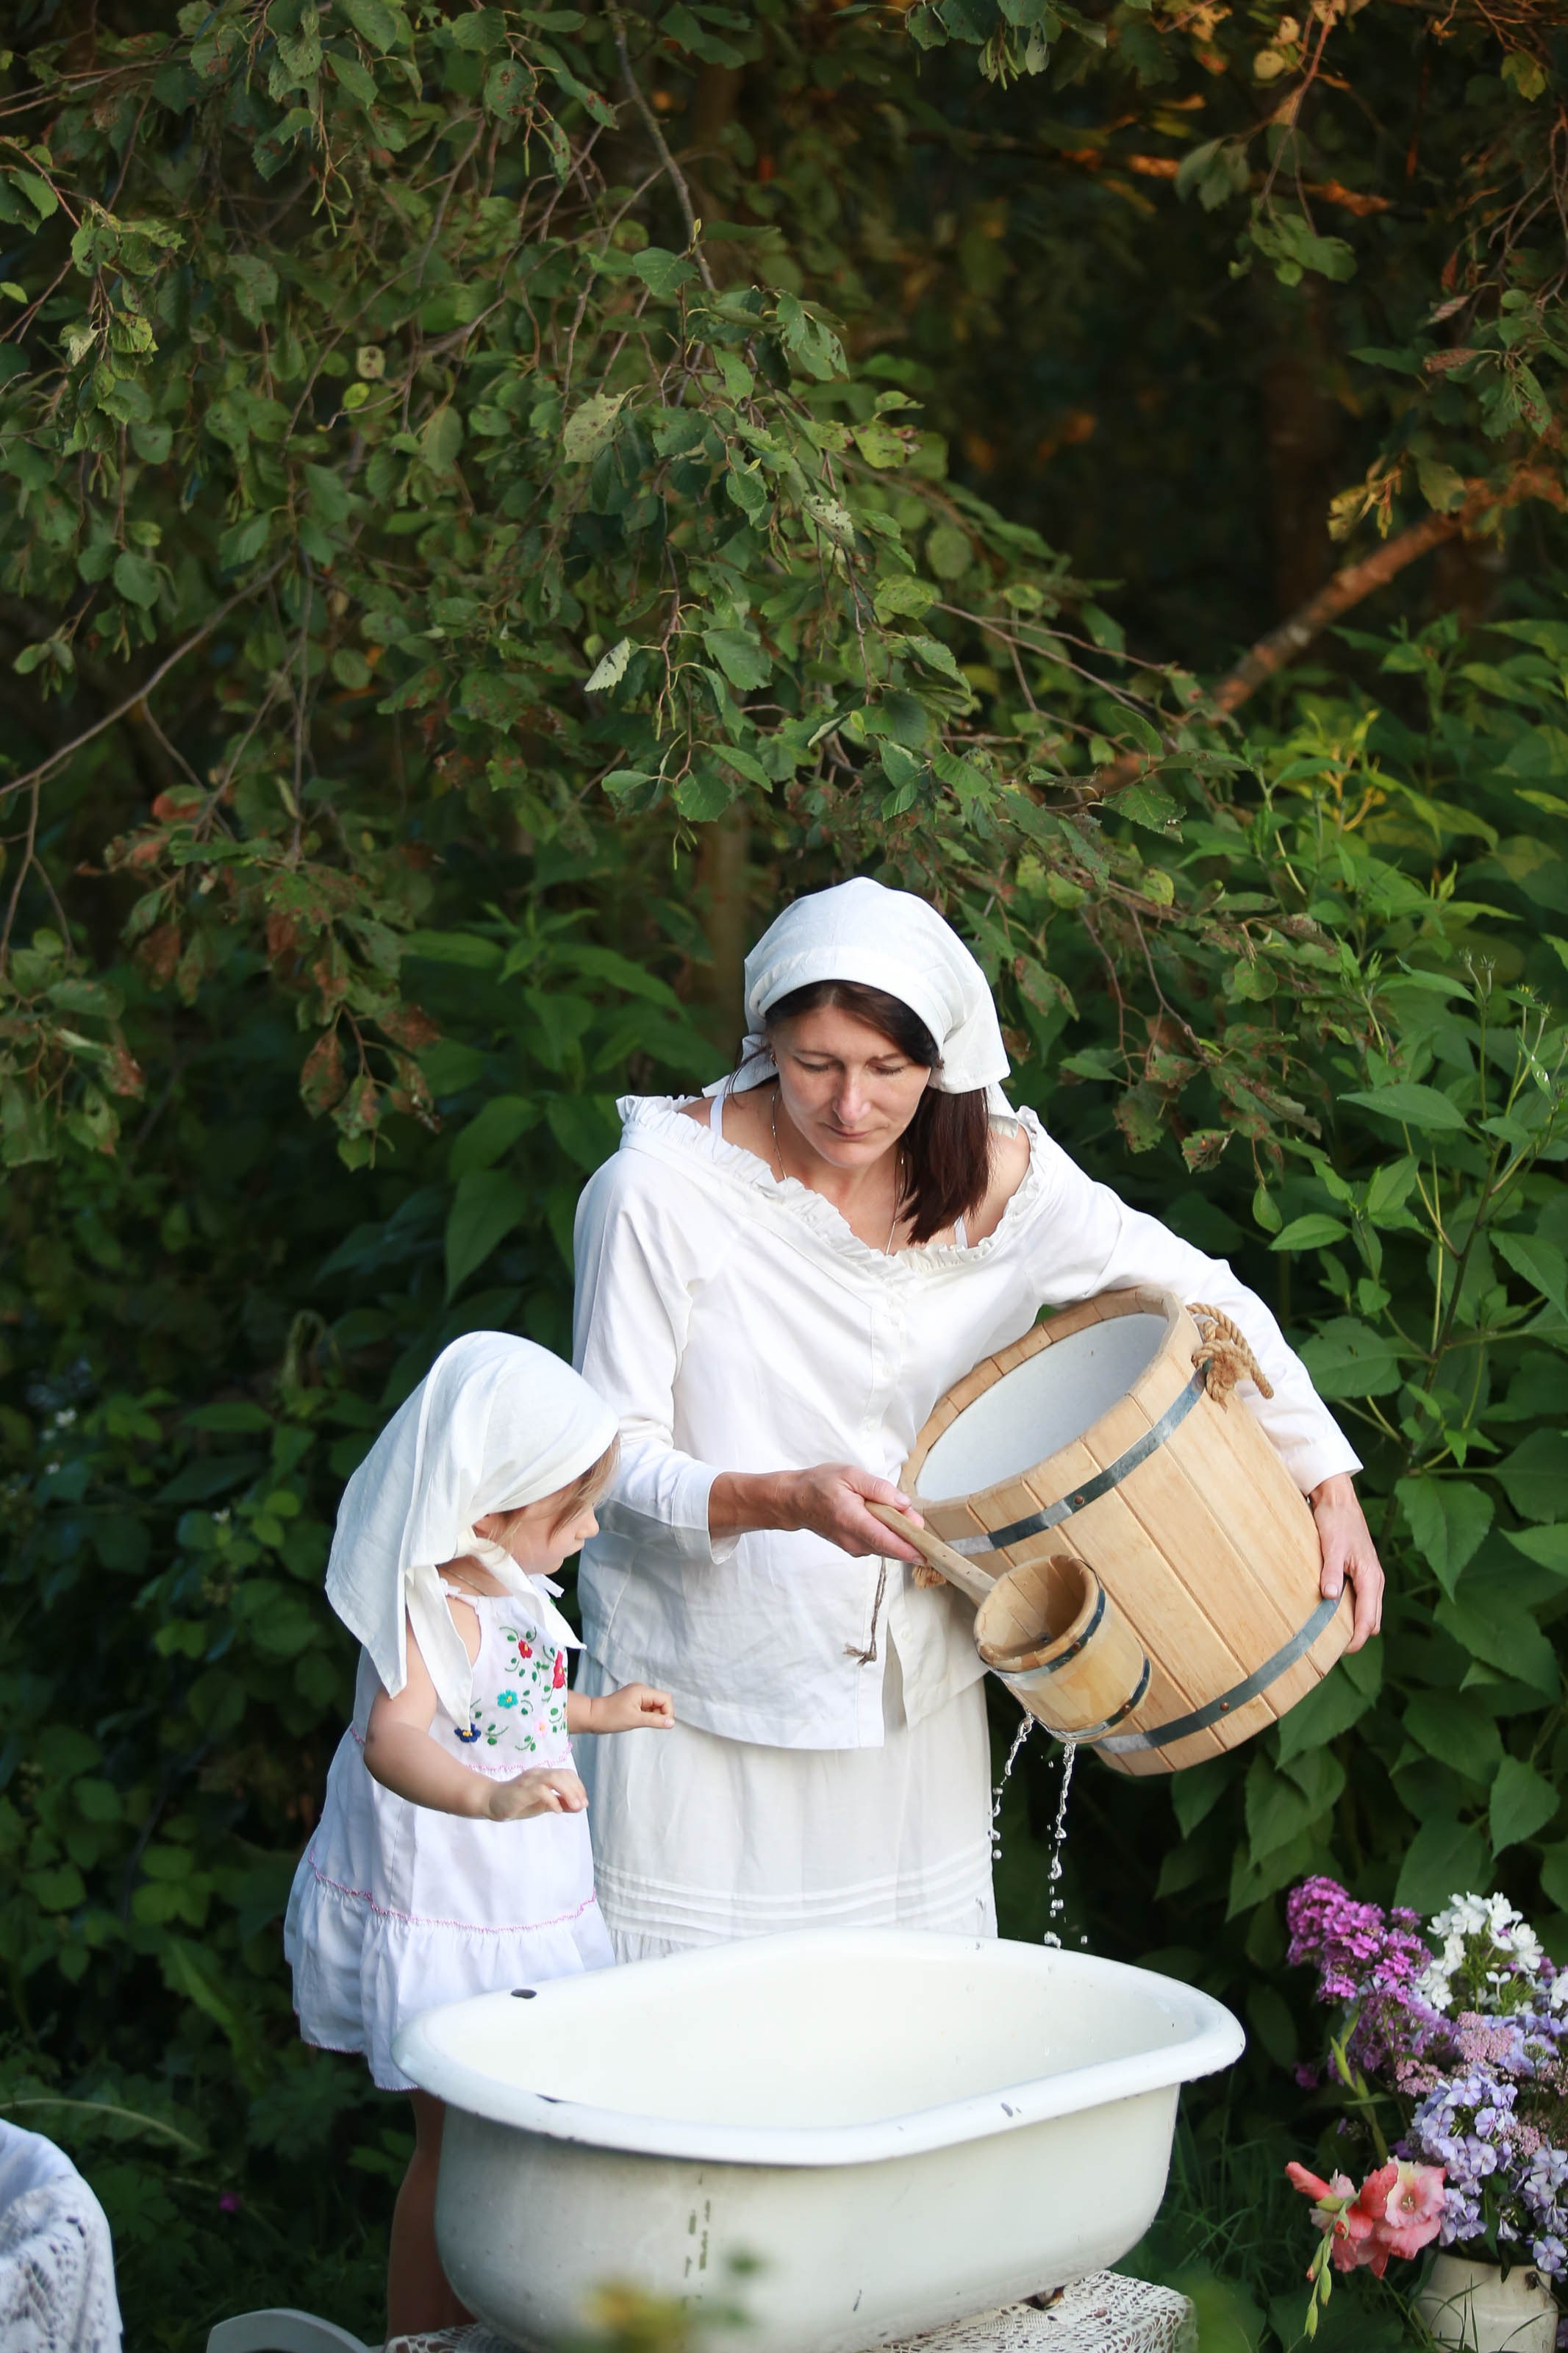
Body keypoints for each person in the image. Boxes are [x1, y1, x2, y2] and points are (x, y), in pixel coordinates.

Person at [570, 875, 1383, 1960]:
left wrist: (1323, 1476)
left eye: (884, 1071)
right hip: (701, 1694)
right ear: (766, 1041)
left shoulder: (1002, 1179)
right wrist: (780, 1499)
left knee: (899, 2041)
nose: (846, 1106)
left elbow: (1206, 1297)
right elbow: (606, 1457)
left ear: (941, 1062)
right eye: (813, 1064)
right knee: (692, 2046)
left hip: (911, 1692)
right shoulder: (657, 1190)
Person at [284, 1331, 673, 2337]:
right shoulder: (425, 1617)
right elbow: (393, 1739)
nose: (589, 1529)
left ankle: (499, 2309)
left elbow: (518, 1713)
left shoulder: (511, 1593)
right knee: (455, 2144)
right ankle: (423, 2333)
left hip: (522, 1901)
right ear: (485, 1511)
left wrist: (601, 1711)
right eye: (571, 1512)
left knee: (514, 2134)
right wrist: (486, 1801)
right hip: (456, 1905)